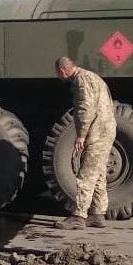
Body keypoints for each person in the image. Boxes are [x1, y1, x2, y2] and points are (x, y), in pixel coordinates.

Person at [54, 56, 116, 230]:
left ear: (62, 71)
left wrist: (81, 134)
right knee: (98, 174)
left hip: (96, 133)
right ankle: (97, 214)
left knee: (86, 174)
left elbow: (85, 108)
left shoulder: (82, 80)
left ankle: (78, 216)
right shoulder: (91, 77)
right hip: (105, 130)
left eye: (57, 73)